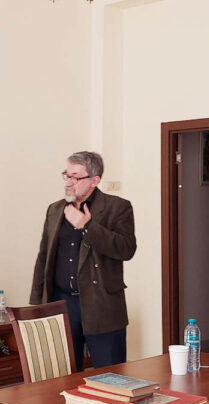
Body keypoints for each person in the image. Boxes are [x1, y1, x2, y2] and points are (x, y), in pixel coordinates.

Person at [29, 151, 137, 371]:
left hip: (101, 304)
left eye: (76, 177)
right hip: (62, 303)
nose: (69, 182)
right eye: (67, 175)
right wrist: (38, 303)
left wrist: (87, 226)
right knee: (64, 374)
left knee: (111, 375)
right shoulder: (55, 209)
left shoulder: (118, 207)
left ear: (95, 180)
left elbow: (126, 249)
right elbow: (44, 257)